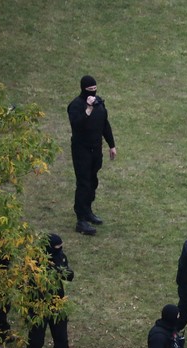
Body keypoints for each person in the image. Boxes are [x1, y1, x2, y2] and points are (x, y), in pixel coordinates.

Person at [15, 233, 73, 348]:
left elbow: (68, 275)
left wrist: (61, 269)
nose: (59, 251)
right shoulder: (34, 261)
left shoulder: (60, 257)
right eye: (56, 248)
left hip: (57, 303)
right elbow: (23, 282)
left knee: (61, 339)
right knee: (36, 339)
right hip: (38, 305)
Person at [67, 75, 116, 236]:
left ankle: (87, 210)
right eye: (90, 90)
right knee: (84, 183)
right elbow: (76, 124)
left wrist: (111, 145)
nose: (93, 93)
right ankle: (80, 219)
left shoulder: (99, 104)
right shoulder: (75, 106)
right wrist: (87, 110)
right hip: (81, 150)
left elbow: (104, 124)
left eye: (95, 90)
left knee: (93, 181)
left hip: (96, 149)